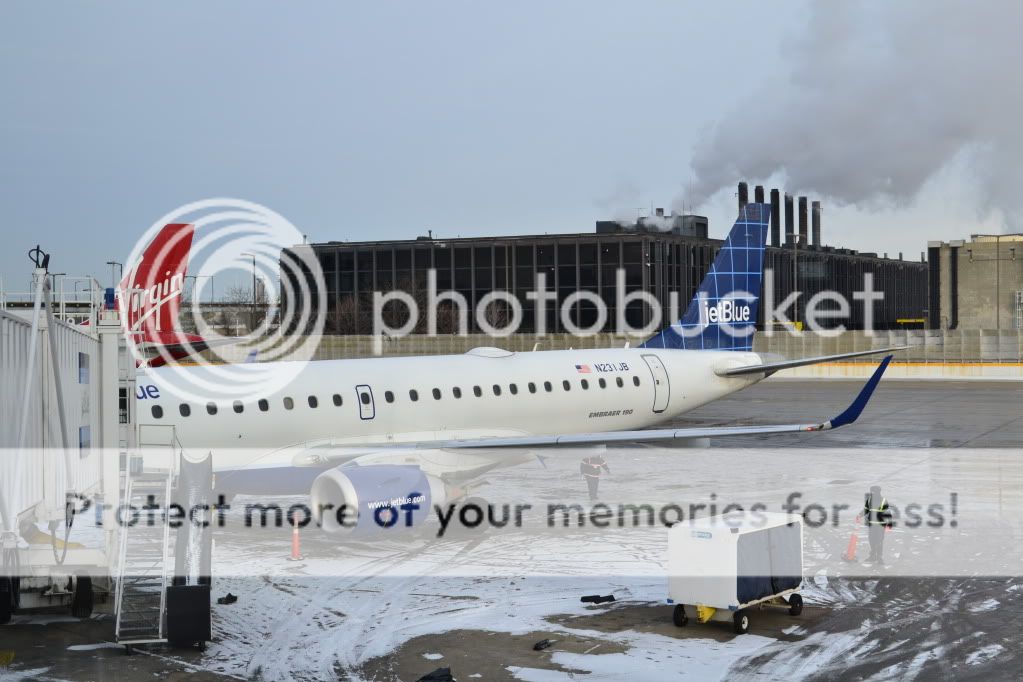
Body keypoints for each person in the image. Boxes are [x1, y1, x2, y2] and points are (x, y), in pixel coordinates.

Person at [862, 485, 893, 564]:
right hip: (871, 525)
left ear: (878, 492)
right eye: (871, 492)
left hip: (880, 525)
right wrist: (859, 515)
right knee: (871, 541)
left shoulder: (883, 500)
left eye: (873, 492)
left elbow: (888, 513)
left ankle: (879, 557)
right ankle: (872, 556)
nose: (872, 493)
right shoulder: (869, 500)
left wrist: (889, 525)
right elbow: (866, 510)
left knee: (879, 541)